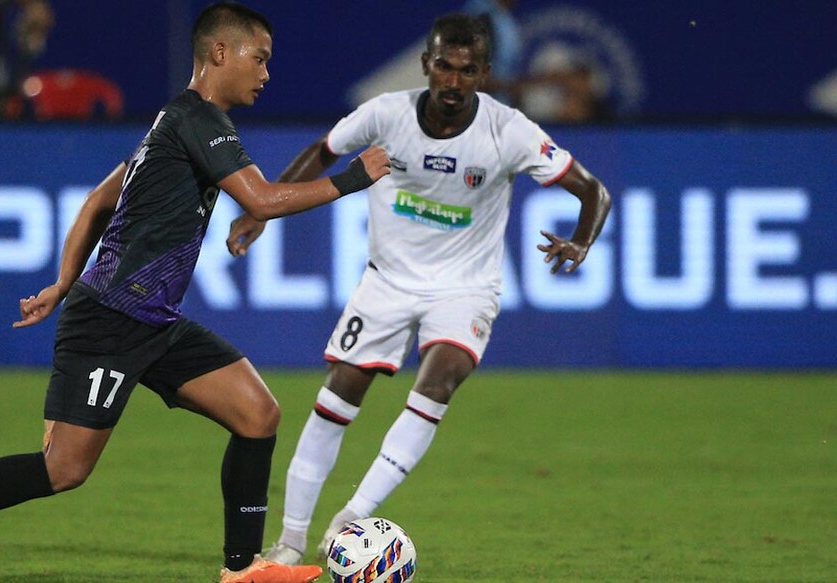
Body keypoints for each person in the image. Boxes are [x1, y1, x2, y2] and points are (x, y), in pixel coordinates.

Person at [0, 3, 390, 582]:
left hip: (153, 319)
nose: (265, 73)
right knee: (63, 470)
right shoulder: (199, 120)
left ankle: (242, 569)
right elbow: (260, 199)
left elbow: (98, 202)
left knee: (258, 415)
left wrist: (62, 283)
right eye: (259, 59)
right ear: (220, 52)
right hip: (109, 320)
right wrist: (352, 177)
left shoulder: (172, 122)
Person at [225, 13, 612, 564]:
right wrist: (265, 209)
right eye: (445, 67)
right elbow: (324, 150)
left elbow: (593, 191)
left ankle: (352, 517)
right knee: (338, 395)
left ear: (484, 73)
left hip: (465, 288)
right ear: (428, 64)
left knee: (440, 379)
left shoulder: (509, 131)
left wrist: (581, 240)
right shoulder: (386, 113)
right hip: (387, 282)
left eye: (468, 71)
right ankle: (290, 542)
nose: (454, 81)